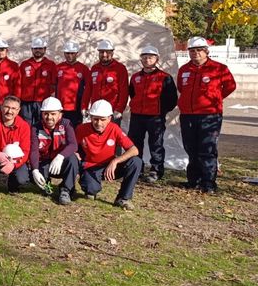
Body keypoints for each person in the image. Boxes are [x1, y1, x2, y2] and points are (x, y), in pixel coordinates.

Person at [177, 36, 236, 194]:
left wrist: (215, 98)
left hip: (209, 115)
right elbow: (181, 88)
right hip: (188, 115)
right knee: (191, 148)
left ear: (206, 51)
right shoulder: (184, 70)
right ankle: (193, 180)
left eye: (198, 50)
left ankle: (208, 182)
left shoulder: (219, 68)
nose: (195, 53)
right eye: (192, 51)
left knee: (207, 148)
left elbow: (230, 86)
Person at [76, 99, 142, 210]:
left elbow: (134, 150)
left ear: (109, 118)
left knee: (136, 161)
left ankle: (123, 198)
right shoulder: (81, 129)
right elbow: (71, 146)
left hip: (110, 166)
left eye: (103, 119)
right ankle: (90, 187)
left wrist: (115, 161)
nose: (99, 123)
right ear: (90, 117)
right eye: (95, 119)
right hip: (91, 166)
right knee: (90, 191)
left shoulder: (114, 128)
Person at [128, 45, 178, 184]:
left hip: (155, 117)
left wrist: (161, 111)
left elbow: (172, 99)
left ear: (157, 59)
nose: (147, 59)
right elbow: (132, 94)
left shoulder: (164, 77)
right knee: (135, 144)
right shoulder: (135, 77)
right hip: (137, 115)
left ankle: (156, 170)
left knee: (155, 144)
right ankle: (136, 169)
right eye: (144, 57)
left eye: (150, 57)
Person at [28, 97, 79, 205]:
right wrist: (35, 170)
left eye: (53, 114)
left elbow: (73, 145)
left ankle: (66, 190)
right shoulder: (35, 128)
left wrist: (60, 156)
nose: (49, 117)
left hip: (61, 161)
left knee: (73, 159)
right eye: (46, 113)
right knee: (37, 179)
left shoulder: (66, 124)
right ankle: (47, 186)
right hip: (45, 161)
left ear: (60, 114)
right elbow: (34, 150)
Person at [84, 39, 128, 124]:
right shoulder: (94, 68)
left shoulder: (120, 68)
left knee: (111, 136)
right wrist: (84, 106)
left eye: (107, 52)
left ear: (112, 53)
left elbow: (124, 91)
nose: (104, 54)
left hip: (112, 112)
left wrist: (119, 109)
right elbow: (88, 89)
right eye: (101, 52)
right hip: (96, 111)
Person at [19, 37, 57, 126]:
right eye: (35, 48)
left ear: (45, 49)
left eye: (40, 48)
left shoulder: (51, 65)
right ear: (32, 49)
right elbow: (19, 84)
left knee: (42, 125)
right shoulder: (24, 64)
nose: (38, 50)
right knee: (25, 125)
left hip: (43, 102)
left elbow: (54, 84)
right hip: (26, 102)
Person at [55, 41, 90, 127]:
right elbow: (53, 85)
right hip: (60, 107)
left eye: (72, 53)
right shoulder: (58, 67)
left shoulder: (83, 68)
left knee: (75, 131)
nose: (69, 55)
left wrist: (84, 106)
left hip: (76, 107)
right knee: (61, 131)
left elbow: (89, 88)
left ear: (77, 53)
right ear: (64, 53)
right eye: (67, 53)